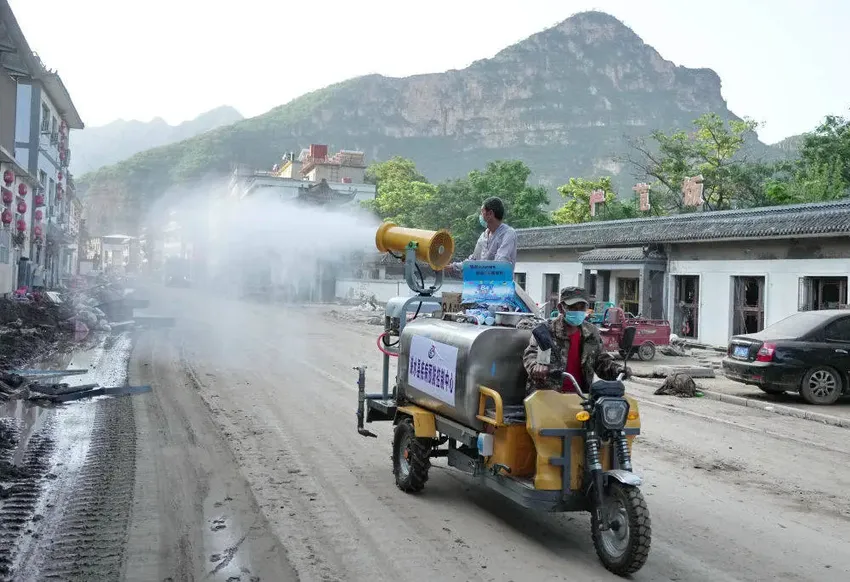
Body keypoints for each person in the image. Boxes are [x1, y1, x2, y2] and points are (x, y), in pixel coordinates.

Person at [522, 286, 630, 396]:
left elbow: (601, 362)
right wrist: (536, 367)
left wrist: (618, 370)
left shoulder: (591, 332)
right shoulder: (545, 331)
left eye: (582, 307)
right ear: (561, 308)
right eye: (573, 307)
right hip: (547, 397)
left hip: (581, 397)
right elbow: (531, 354)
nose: (578, 311)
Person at [449, 196, 517, 271]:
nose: (480, 216)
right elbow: (474, 260)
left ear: (490, 214)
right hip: (482, 281)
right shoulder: (483, 236)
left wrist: (478, 267)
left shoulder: (508, 234)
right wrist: (453, 267)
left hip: (500, 282)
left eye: (482, 212)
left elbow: (500, 262)